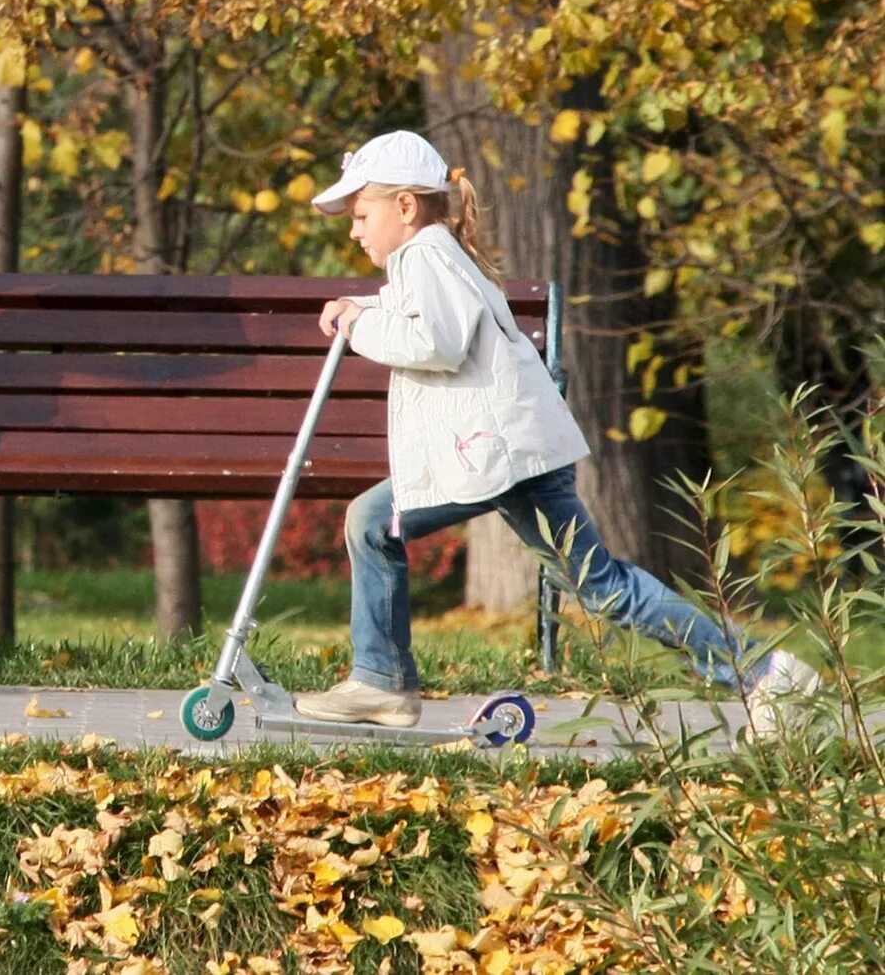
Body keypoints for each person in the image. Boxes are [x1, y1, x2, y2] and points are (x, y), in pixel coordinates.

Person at [294, 130, 823, 739]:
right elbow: (428, 324)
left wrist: (359, 323)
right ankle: (381, 679)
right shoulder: (433, 256)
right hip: (495, 454)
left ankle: (765, 673)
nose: (355, 231)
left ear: (406, 207)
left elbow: (433, 342)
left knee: (593, 586)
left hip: (501, 458)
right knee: (382, 524)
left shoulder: (424, 255)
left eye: (362, 215)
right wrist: (363, 310)